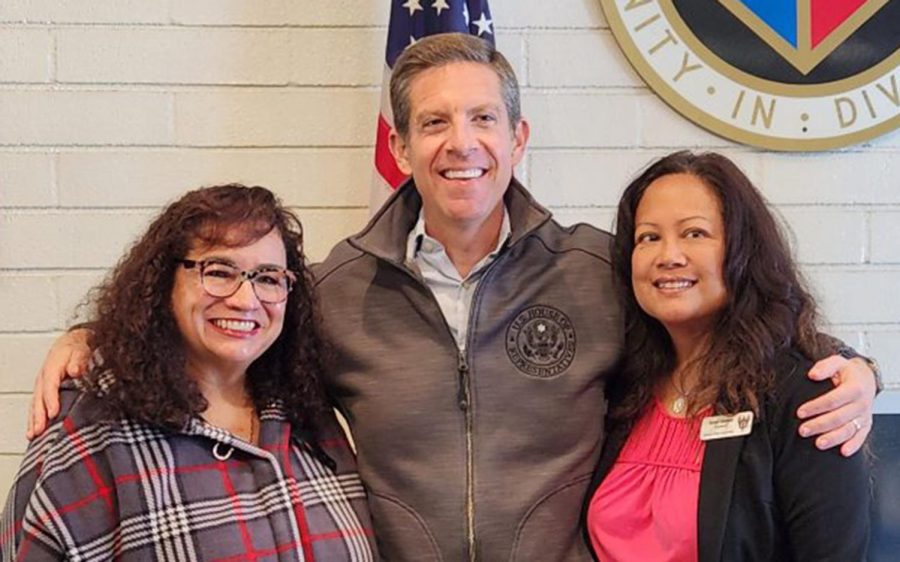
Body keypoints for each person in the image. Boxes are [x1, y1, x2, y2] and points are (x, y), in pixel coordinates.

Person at [24, 35, 879, 561]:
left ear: (518, 138)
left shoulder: (600, 268)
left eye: (480, 119)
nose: (458, 143)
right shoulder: (330, 289)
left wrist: (854, 370)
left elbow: (721, 311)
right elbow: (230, 350)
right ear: (399, 145)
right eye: (433, 123)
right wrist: (98, 333)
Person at [1, 185, 377, 561]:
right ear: (164, 283)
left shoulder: (307, 411)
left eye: (267, 278)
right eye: (218, 271)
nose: (245, 300)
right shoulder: (93, 425)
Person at [584, 152, 870, 561]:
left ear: (742, 250)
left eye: (695, 234)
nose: (669, 255)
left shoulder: (807, 399)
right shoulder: (620, 387)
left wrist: (861, 368)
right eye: (649, 237)